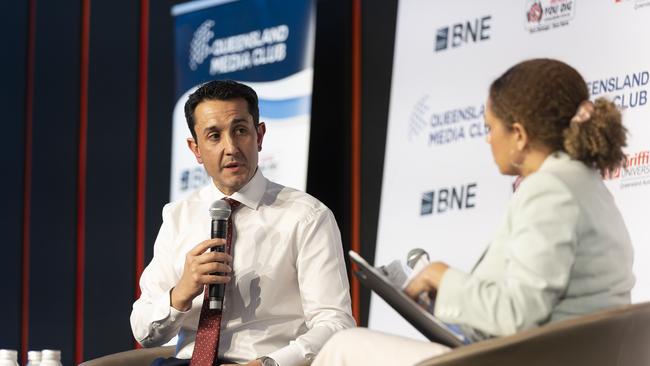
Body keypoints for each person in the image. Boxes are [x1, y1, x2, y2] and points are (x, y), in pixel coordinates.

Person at [312, 58, 635, 365]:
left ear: (519, 135)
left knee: (343, 347)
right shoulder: (586, 185)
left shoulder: (550, 190)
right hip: (552, 354)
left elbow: (518, 315)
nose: (487, 139)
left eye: (490, 127)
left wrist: (443, 276)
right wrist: (446, 302)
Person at [131, 80, 355, 366]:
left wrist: (270, 363)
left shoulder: (307, 217)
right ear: (195, 149)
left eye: (240, 130)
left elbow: (335, 323)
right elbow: (143, 331)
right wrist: (181, 292)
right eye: (214, 136)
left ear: (259, 135)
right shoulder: (178, 216)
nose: (231, 147)